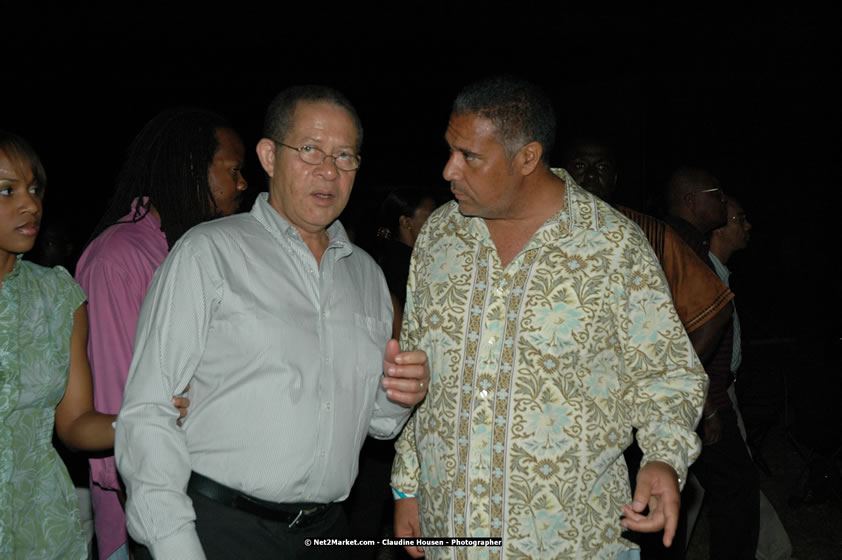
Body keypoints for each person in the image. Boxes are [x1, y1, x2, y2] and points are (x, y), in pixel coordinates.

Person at [390, 76, 708, 559]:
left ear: (527, 158)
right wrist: (407, 486)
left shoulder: (612, 247)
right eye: (451, 150)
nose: (449, 170)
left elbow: (668, 375)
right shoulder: (439, 237)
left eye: (470, 156)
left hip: (569, 541)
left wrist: (664, 459)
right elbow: (417, 369)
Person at [115, 85, 431, 560]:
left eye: (345, 156)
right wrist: (173, 543)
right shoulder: (208, 252)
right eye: (310, 150)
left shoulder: (365, 274)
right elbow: (148, 410)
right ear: (268, 156)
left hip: (329, 532)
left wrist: (401, 393)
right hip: (218, 528)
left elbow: (376, 425)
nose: (329, 170)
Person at [0, 131, 187, 559]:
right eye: (6, 191)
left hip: (40, 529)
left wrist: (143, 417)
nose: (30, 204)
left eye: (34, 188)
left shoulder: (58, 297)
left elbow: (75, 423)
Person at [74, 107, 247, 560]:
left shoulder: (197, 248)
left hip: (208, 503)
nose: (244, 184)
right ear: (193, 169)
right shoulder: (117, 257)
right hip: (143, 520)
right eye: (233, 170)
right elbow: (116, 410)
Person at [564, 138, 736, 558]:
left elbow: (712, 308)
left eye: (601, 167)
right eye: (581, 167)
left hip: (635, 415)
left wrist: (675, 384)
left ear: (616, 177)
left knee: (650, 520)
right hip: (567, 423)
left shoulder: (644, 231)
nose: (590, 177)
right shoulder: (539, 228)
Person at [664, 169, 760, 560]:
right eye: (716, 195)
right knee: (734, 487)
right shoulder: (684, 249)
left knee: (686, 485)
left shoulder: (694, 250)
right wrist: (708, 403)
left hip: (704, 391)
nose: (722, 202)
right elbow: (685, 334)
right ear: (691, 201)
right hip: (698, 394)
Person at [710, 197, 794, 560]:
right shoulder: (703, 276)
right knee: (737, 479)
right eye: (739, 219)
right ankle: (775, 552)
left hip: (722, 390)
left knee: (715, 481)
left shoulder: (720, 273)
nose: (747, 226)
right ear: (718, 226)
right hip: (712, 396)